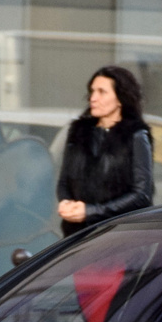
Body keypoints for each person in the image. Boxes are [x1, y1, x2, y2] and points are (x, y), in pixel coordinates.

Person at [56, 66, 154, 236]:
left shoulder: (136, 136)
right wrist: (66, 204)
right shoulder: (79, 132)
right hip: (77, 235)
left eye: (102, 92)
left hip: (118, 236)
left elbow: (141, 195)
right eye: (92, 91)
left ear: (120, 99)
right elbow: (64, 181)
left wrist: (91, 211)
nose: (93, 98)